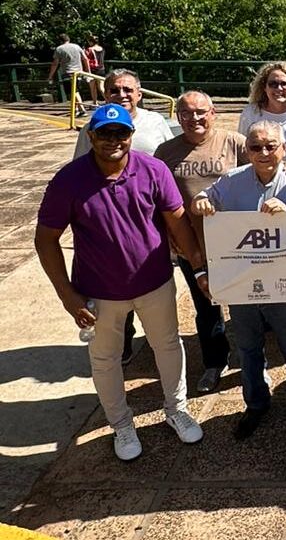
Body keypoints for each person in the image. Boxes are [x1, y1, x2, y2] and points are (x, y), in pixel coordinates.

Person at [36, 103, 207, 461]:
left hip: (155, 283)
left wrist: (199, 265)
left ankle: (176, 409)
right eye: (105, 133)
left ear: (131, 135)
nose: (113, 140)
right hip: (99, 292)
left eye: (121, 133)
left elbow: (177, 221)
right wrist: (68, 297)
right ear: (91, 136)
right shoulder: (69, 180)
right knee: (105, 360)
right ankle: (122, 425)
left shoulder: (154, 169)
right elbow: (46, 239)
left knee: (168, 346)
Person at [192, 121, 286, 440]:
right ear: (246, 150)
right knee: (247, 348)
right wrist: (201, 201)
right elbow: (203, 199)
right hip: (243, 283)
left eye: (270, 146)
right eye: (256, 146)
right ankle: (256, 403)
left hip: (284, 282)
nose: (263, 152)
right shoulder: (230, 181)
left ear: (283, 148)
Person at [74, 68, 175, 364]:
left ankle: (161, 341)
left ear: (140, 94)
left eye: (128, 90)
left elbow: (170, 160)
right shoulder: (91, 128)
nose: (122, 95)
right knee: (117, 280)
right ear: (106, 95)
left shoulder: (156, 122)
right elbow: (80, 168)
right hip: (110, 215)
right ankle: (124, 344)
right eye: (115, 90)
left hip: (151, 212)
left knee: (154, 279)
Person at [154, 91, 244, 393]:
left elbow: (266, 168)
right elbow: (155, 200)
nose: (194, 118)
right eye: (187, 113)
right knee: (206, 307)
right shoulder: (165, 152)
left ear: (213, 113)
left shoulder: (234, 143)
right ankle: (215, 362)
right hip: (192, 246)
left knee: (245, 303)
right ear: (178, 117)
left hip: (237, 244)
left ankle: (250, 359)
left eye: (200, 112)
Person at [238, 61, 286, 171]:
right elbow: (242, 151)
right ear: (264, 87)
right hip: (258, 173)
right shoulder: (250, 112)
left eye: (284, 84)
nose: (279, 88)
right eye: (273, 84)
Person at [47, 32, 90, 118]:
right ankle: (75, 110)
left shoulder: (59, 49)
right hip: (79, 72)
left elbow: (55, 63)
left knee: (73, 92)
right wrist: (88, 72)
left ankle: (82, 109)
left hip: (67, 73)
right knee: (75, 91)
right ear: (68, 39)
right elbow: (85, 59)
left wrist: (50, 76)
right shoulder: (77, 46)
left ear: (60, 41)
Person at [84, 32, 105, 105]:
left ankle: (95, 103)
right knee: (101, 87)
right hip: (101, 69)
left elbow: (86, 58)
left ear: (91, 42)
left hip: (92, 70)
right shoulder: (101, 48)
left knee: (93, 88)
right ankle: (108, 100)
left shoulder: (89, 49)